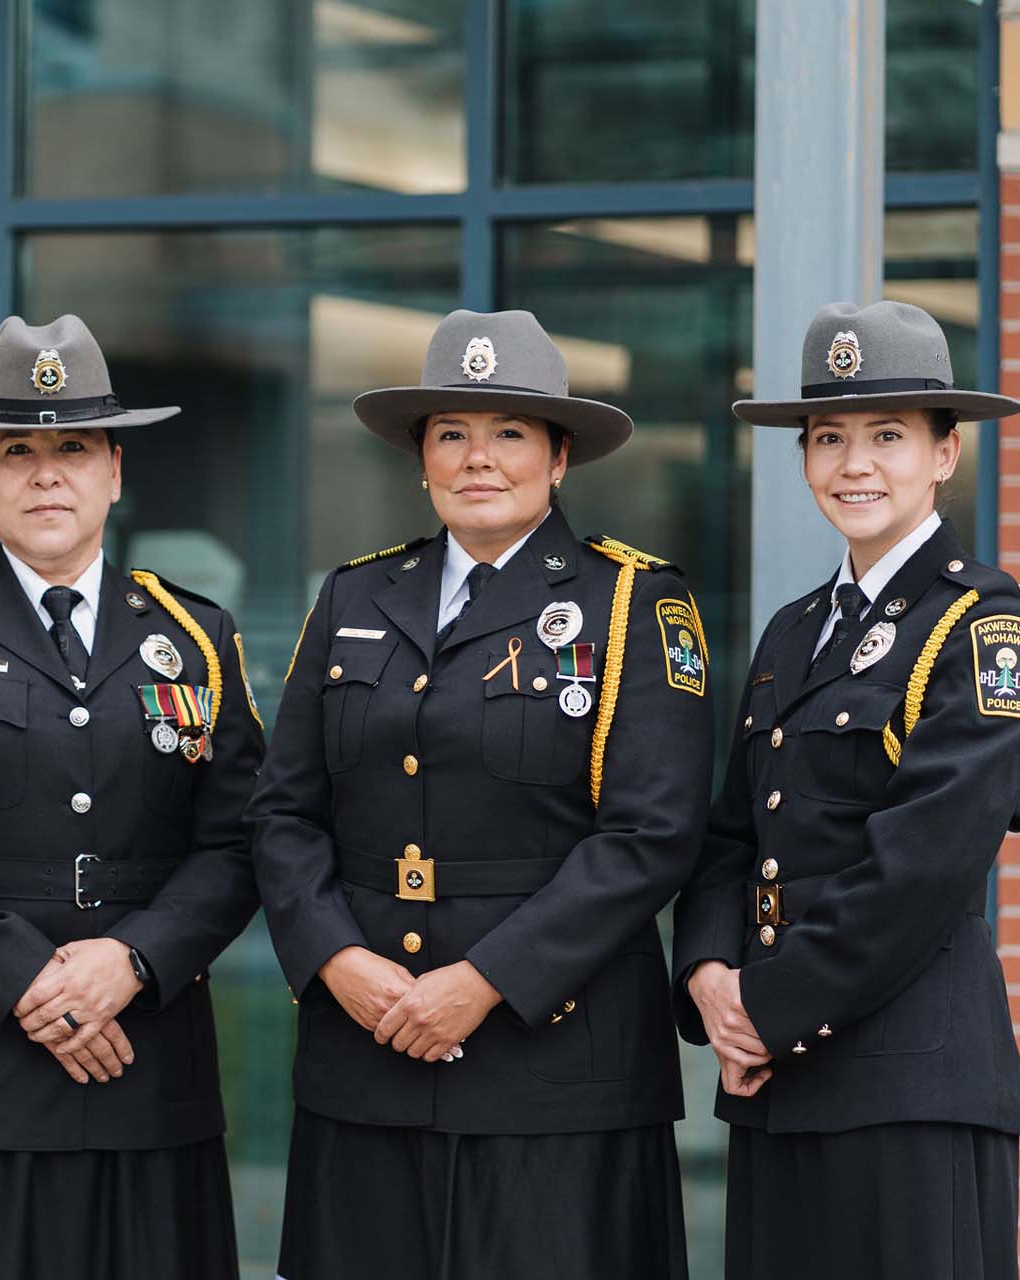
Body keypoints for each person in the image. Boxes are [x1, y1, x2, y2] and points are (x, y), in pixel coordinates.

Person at [251, 308, 713, 1279]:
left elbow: (650, 834)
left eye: (508, 432)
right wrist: (334, 956)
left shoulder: (631, 602)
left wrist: (485, 979)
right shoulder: (354, 598)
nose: (478, 457)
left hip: (553, 1071)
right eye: (451, 433)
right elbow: (285, 809)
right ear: (420, 460)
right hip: (365, 1054)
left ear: (557, 458)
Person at [0, 314, 266, 1279]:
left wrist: (133, 960)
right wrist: (28, 980)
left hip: (142, 1070)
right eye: (16, 451)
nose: (46, 473)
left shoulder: (193, 632)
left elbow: (241, 840)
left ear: (116, 469)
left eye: (72, 447)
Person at [673, 300, 1020, 1280]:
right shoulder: (792, 631)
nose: (854, 462)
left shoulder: (987, 627)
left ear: (944, 453)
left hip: (907, 1085)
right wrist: (710, 974)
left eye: (887, 435)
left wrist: (765, 1003)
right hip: (775, 1084)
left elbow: (921, 867)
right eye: (829, 437)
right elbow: (730, 835)